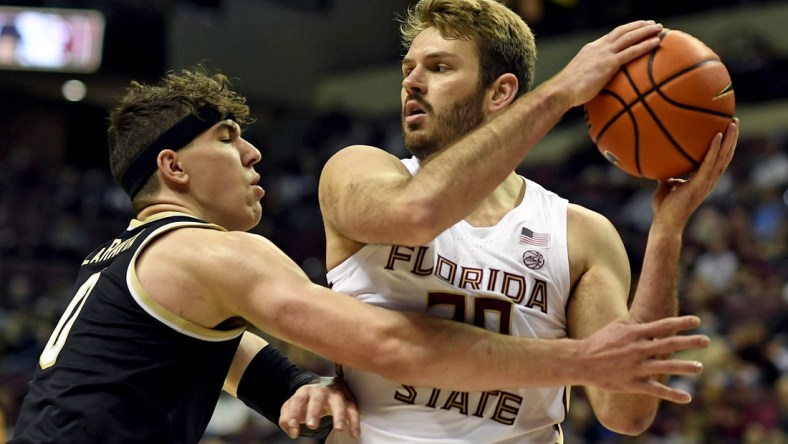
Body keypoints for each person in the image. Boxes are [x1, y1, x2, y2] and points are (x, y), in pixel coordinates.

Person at [11, 65, 709, 444]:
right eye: (226, 138)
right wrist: (581, 361)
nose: (253, 152)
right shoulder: (211, 253)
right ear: (175, 168)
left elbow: (225, 356)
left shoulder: (126, 256)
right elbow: (394, 348)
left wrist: (306, 390)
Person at [317, 0, 739, 443]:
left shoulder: (579, 234)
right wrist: (562, 92)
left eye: (439, 68)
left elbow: (626, 410)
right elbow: (417, 213)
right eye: (409, 69)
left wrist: (667, 232)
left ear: (500, 92)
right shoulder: (357, 171)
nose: (412, 83)